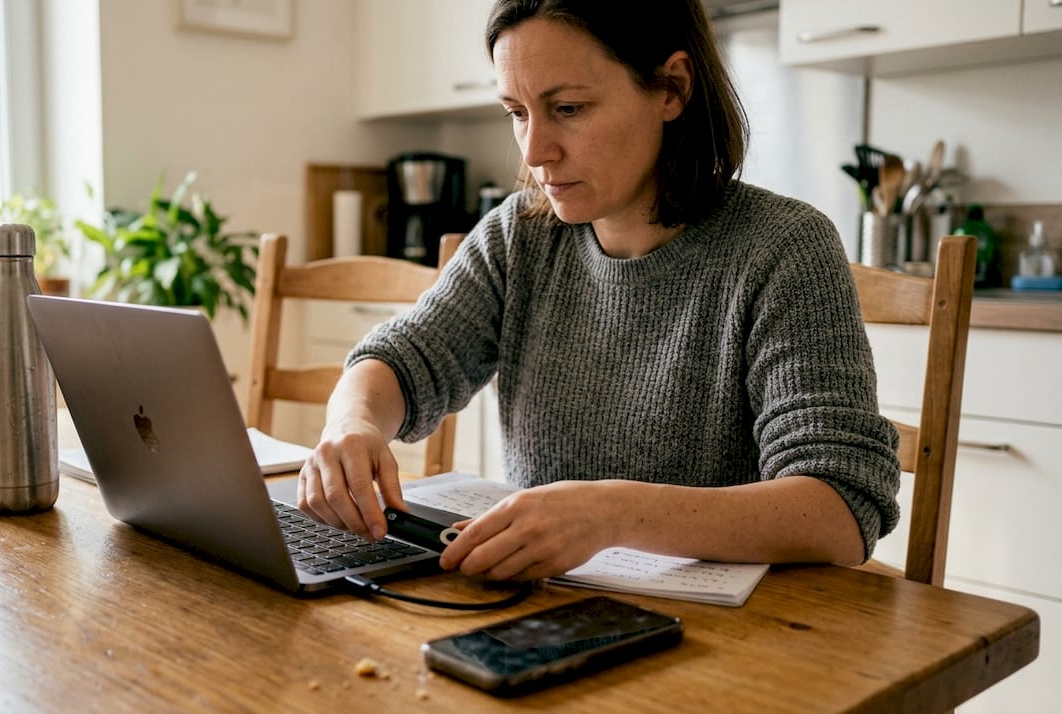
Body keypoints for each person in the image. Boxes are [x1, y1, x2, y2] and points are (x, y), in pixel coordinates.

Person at [296, 0, 900, 582]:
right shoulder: (519, 236)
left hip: (734, 645)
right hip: (542, 615)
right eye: (517, 112)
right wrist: (352, 423)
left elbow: (839, 510)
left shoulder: (783, 248)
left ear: (671, 88)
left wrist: (611, 515)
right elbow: (403, 359)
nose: (535, 152)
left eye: (569, 108)